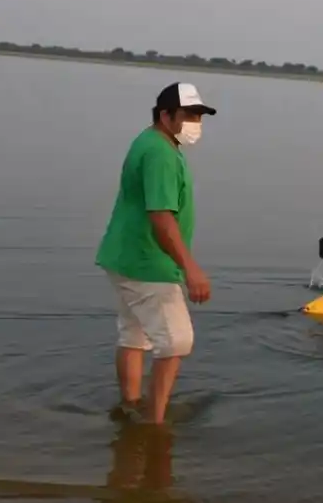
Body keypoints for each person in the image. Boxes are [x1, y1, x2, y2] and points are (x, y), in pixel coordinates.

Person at [95, 82, 216, 425]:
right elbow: (161, 217)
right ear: (165, 115)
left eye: (199, 115)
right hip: (147, 262)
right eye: (188, 115)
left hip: (123, 256)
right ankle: (154, 422)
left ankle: (131, 405)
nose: (195, 122)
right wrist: (190, 268)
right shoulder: (161, 153)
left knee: (134, 335)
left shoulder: (149, 141)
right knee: (177, 342)